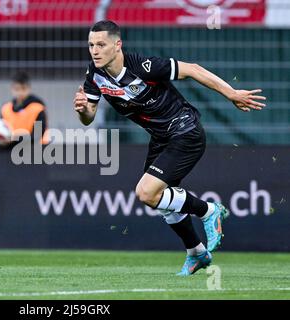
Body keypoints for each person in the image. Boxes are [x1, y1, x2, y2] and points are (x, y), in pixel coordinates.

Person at [73, 20, 266, 276]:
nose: (94, 50)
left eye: (101, 44)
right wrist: (83, 109)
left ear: (117, 45)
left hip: (185, 130)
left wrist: (230, 93)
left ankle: (209, 210)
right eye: (91, 45)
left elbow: (193, 69)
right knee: (161, 200)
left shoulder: (143, 66)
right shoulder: (95, 74)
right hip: (161, 138)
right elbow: (88, 118)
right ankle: (196, 252)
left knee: (146, 193)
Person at [0, 71, 49, 145]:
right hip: (12, 150)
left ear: (29, 88)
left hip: (37, 150)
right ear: (12, 89)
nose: (20, 93)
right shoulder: (5, 109)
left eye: (23, 89)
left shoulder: (37, 109)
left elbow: (37, 135)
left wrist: (14, 139)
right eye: (17, 89)